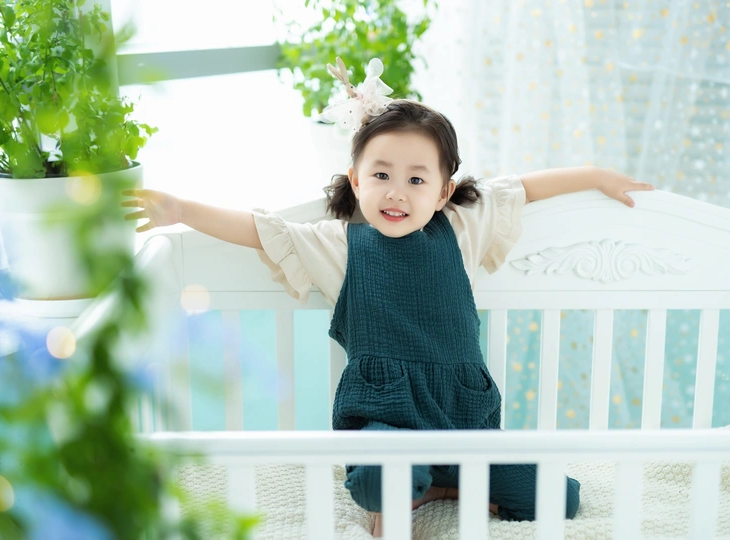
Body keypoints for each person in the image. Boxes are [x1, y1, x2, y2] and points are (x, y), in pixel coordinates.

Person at [121, 57, 655, 537]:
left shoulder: (462, 229)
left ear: (443, 192)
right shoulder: (341, 245)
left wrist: (594, 175)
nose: (396, 191)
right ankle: (407, 495)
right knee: (385, 476)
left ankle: (444, 485)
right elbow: (260, 230)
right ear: (356, 181)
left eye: (416, 180)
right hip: (386, 417)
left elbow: (524, 188)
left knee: (559, 497)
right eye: (381, 175)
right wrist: (182, 210)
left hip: (465, 421)